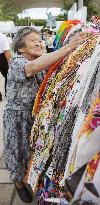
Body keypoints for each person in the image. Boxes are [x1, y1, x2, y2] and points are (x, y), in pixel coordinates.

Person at [3, 27, 87, 203]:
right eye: (33, 40)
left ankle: (32, 177)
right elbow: (32, 68)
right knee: (18, 152)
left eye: (40, 39)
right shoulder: (18, 62)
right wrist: (70, 46)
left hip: (37, 115)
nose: (39, 42)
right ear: (20, 48)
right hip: (17, 117)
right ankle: (18, 183)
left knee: (35, 150)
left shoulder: (42, 58)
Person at [0, 32, 11, 100]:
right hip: (1, 57)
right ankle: (8, 92)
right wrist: (9, 63)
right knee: (7, 75)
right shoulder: (2, 36)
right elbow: (7, 51)